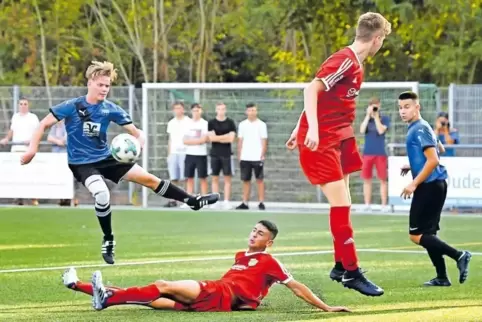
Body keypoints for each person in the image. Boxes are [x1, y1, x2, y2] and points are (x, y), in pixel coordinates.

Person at [20, 61, 219, 265]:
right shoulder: (73, 106)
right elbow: (43, 124)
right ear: (90, 83)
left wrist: (139, 142)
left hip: (107, 158)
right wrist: (32, 149)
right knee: (102, 193)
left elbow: (135, 132)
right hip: (81, 163)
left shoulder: (110, 109)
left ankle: (191, 201)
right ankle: (108, 239)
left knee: (150, 179)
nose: (105, 89)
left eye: (107, 86)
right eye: (101, 85)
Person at [285, 12, 391, 297]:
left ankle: (340, 266)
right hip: (324, 142)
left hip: (339, 137)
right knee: (341, 206)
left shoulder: (355, 62)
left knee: (345, 204)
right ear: (377, 39)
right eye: (383, 40)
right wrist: (312, 130)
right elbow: (311, 89)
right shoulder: (344, 60)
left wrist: (299, 126)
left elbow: (321, 97)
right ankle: (352, 272)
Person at [62, 220, 350, 313]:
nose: (253, 234)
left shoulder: (268, 261)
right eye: (253, 230)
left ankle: (103, 301)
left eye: (260, 234)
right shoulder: (241, 256)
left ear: (269, 243)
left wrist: (327, 308)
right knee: (150, 298)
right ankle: (80, 287)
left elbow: (295, 286)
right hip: (215, 298)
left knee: (162, 285)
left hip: (219, 294)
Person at [398, 91, 471, 287]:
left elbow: (433, 159)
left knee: (416, 235)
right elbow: (440, 148)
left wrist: (414, 183)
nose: (402, 111)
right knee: (429, 234)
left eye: (407, 107)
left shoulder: (419, 129)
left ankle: (459, 255)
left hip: (429, 186)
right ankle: (442, 277)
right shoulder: (423, 126)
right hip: (435, 185)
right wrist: (411, 165)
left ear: (417, 107)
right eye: (400, 108)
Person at [359, 97, 390, 212]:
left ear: (379, 106)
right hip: (368, 153)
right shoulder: (367, 120)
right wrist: (368, 116)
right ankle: (367, 204)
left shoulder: (385, 119)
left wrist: (376, 117)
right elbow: (362, 130)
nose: (375, 107)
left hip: (380, 153)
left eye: (376, 105)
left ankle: (383, 205)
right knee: (366, 179)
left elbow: (381, 130)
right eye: (372, 105)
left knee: (382, 179)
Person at [236, 103, 268, 210]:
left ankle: (261, 202)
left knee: (259, 180)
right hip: (245, 157)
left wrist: (262, 154)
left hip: (257, 157)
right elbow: (240, 140)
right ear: (246, 112)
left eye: (254, 110)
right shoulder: (242, 125)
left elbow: (264, 140)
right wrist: (240, 155)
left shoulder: (261, 125)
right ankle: (245, 202)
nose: (252, 112)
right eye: (250, 110)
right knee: (245, 180)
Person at [208, 102, 236, 209]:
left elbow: (231, 139)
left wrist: (218, 137)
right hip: (215, 154)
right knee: (215, 178)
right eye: (219, 109)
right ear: (216, 110)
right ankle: (214, 201)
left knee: (227, 178)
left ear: (225, 110)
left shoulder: (230, 123)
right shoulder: (211, 123)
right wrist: (225, 137)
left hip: (227, 154)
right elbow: (211, 138)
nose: (221, 111)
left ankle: (226, 201)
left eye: (223, 109)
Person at [47, 120, 79, 206]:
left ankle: (71, 198)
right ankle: (61, 198)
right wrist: (58, 141)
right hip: (57, 157)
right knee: (58, 177)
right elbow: (49, 137)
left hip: (67, 156)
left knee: (70, 178)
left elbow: (68, 137)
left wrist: (62, 140)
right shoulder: (54, 127)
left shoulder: (68, 125)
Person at [166, 101, 191, 207]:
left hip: (185, 152)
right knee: (174, 178)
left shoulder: (189, 121)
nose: (178, 110)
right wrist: (169, 154)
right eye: (175, 108)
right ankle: (173, 200)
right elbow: (170, 139)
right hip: (174, 153)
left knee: (185, 178)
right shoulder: (171, 123)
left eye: (179, 108)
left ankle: (185, 199)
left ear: (183, 109)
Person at [183, 103, 209, 198]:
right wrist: (198, 141)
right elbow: (185, 140)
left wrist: (193, 141)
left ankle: (204, 199)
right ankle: (189, 199)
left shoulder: (205, 123)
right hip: (190, 154)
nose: (196, 112)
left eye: (198, 110)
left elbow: (204, 139)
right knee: (189, 178)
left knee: (203, 178)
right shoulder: (187, 123)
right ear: (191, 111)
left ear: (201, 111)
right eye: (194, 110)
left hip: (201, 154)